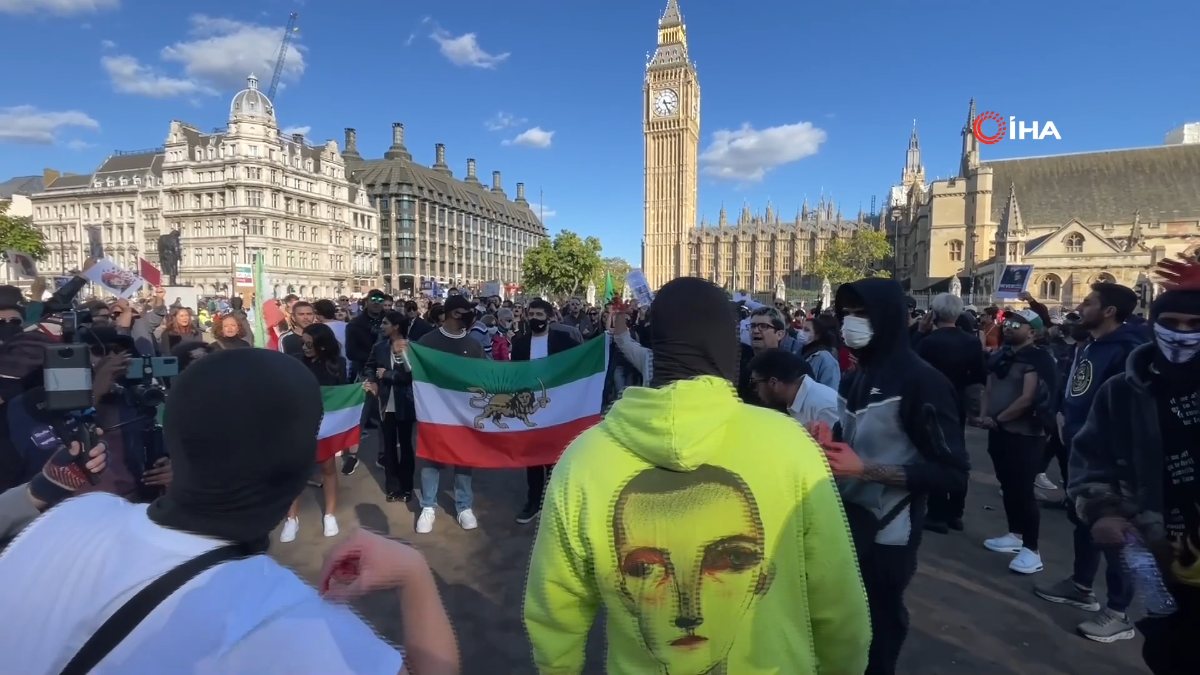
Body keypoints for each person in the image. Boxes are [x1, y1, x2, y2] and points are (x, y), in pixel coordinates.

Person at [0, 349, 458, 674]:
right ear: (303, 467)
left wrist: (38, 492)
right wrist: (413, 574)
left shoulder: (76, 515)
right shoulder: (284, 620)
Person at [524, 277, 870, 675]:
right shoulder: (789, 447)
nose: (690, 612)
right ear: (728, 348)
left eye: (732, 558)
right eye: (644, 568)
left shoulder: (584, 458)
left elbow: (555, 606)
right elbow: (838, 599)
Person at [829, 277, 969, 675]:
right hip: (846, 525)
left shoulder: (922, 382)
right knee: (844, 625)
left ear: (887, 318)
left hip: (890, 535)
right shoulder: (853, 376)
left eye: (861, 315)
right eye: (846, 315)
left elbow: (953, 474)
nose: (850, 324)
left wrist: (866, 470)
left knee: (879, 627)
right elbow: (849, 444)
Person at [1068, 257, 1200, 673]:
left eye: (1193, 324)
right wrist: (1103, 511)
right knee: (1170, 652)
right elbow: (1091, 461)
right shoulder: (1122, 392)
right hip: (1162, 554)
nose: (1181, 334)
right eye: (1171, 322)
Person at [1036, 282, 1145, 642]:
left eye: (1088, 302)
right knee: (1082, 517)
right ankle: (1082, 586)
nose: (1080, 307)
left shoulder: (1129, 351)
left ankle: (1119, 613)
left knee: (1114, 532)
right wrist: (1063, 418)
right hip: (1078, 449)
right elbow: (1075, 387)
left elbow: (1125, 408)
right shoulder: (1091, 344)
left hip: (1110, 459)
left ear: (1110, 311)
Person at [974, 309, 1057, 574]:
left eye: (1016, 324)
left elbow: (1028, 398)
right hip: (999, 433)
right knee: (1008, 485)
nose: (1008, 327)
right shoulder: (1000, 356)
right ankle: (1015, 534)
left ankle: (1032, 550)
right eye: (1007, 322)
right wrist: (984, 415)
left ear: (1032, 332)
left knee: (1023, 491)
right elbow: (989, 388)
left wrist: (998, 418)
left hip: (1025, 435)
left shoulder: (1038, 359)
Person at [913, 292, 986, 533]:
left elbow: (911, 364)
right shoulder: (972, 342)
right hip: (958, 404)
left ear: (933, 314)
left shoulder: (928, 342)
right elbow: (977, 380)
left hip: (930, 405)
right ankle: (955, 511)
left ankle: (937, 512)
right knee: (956, 455)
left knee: (934, 455)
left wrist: (919, 332)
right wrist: (975, 410)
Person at [415, 294, 484, 534]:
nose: (471, 316)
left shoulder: (473, 345)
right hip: (434, 412)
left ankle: (464, 506)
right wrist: (400, 352)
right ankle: (428, 506)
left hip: (465, 413)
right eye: (466, 311)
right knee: (432, 459)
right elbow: (412, 370)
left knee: (464, 460)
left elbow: (483, 376)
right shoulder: (427, 341)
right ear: (455, 313)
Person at [510, 298, 581, 524]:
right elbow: (515, 374)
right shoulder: (520, 343)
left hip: (558, 408)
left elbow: (582, 361)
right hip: (530, 408)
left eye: (540, 316)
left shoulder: (564, 341)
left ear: (549, 317)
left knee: (555, 458)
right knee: (532, 458)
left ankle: (553, 503)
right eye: (531, 315)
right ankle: (533, 502)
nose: (535, 319)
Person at [280, 323, 348, 542]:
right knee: (296, 472)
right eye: (304, 343)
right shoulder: (294, 362)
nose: (306, 347)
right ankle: (292, 519)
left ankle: (329, 515)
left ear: (323, 344)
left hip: (326, 425)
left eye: (311, 344)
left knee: (328, 469)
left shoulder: (338, 364)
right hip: (298, 424)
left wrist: (361, 390)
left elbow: (343, 393)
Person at [364, 312, 417, 503]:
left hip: (407, 404)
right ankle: (392, 487)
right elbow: (369, 367)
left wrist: (388, 375)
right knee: (388, 447)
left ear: (396, 326)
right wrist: (373, 381)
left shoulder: (412, 347)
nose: (382, 326)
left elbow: (413, 376)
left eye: (385, 323)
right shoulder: (379, 347)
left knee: (406, 446)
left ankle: (407, 487)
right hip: (385, 404)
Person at [747, 348, 839, 427]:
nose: (754, 390)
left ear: (773, 383)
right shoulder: (792, 401)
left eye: (755, 383)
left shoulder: (823, 406)